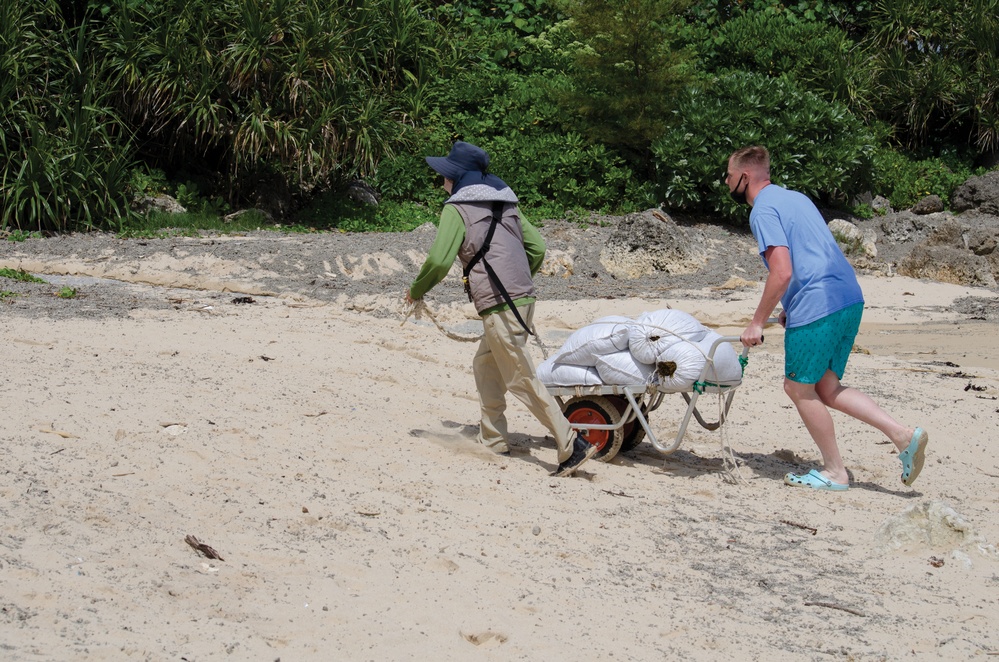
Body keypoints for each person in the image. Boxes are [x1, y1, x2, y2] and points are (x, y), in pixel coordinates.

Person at [728, 145, 928, 491]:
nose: (726, 182)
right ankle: (902, 434)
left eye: (728, 176)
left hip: (817, 303)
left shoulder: (762, 210)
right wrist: (788, 308)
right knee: (827, 386)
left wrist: (757, 322)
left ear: (744, 177)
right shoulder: (796, 198)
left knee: (797, 387)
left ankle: (835, 471)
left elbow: (782, 272)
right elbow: (813, 252)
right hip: (848, 297)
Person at [405, 141, 597, 477]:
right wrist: (518, 283)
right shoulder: (505, 202)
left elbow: (438, 259)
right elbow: (536, 248)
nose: (442, 182)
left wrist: (416, 290)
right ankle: (493, 438)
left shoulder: (456, 208)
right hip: (523, 300)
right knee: (485, 364)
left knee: (520, 376)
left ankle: (572, 442)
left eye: (445, 176)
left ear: (457, 178)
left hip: (500, 306)